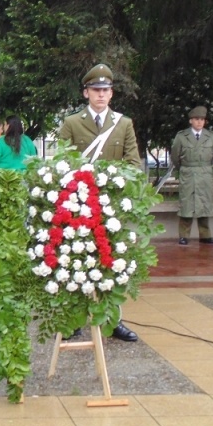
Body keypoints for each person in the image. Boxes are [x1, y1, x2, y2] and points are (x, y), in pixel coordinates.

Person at [58, 63, 140, 342]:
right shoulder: (71, 123)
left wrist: (110, 182)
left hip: (111, 206)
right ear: (86, 93)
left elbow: (133, 163)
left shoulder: (124, 124)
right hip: (80, 204)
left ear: (112, 94)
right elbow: (62, 161)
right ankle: (73, 320)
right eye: (96, 90)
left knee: (111, 260)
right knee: (77, 258)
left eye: (105, 90)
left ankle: (113, 319)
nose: (101, 95)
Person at [170, 106, 213, 245]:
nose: (199, 122)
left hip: (204, 173)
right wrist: (186, 168)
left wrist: (203, 166)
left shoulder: (211, 136)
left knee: (204, 204)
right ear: (191, 121)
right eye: (196, 119)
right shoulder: (182, 136)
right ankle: (183, 235)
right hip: (188, 172)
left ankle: (205, 235)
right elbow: (175, 156)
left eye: (202, 120)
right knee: (187, 204)